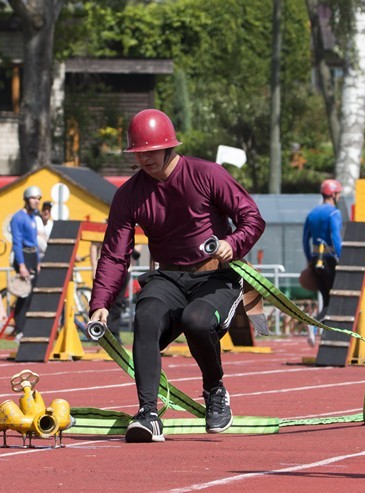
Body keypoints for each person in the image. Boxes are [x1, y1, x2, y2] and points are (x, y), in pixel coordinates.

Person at [89, 109, 265, 443]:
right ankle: (147, 413)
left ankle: (214, 389)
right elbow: (115, 253)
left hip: (216, 277)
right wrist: (100, 302)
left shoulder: (208, 174)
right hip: (168, 278)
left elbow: (252, 218)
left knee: (196, 320)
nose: (144, 158)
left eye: (151, 151)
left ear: (170, 147)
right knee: (146, 316)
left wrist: (232, 243)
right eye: (138, 152)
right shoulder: (128, 195)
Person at [302, 179, 343, 346]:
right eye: (338, 193)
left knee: (327, 299)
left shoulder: (312, 213)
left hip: (315, 261)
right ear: (333, 194)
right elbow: (335, 238)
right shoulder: (334, 213)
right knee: (334, 301)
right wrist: (341, 259)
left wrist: (309, 261)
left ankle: (324, 334)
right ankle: (314, 325)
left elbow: (305, 240)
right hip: (330, 261)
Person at [9, 186, 42, 339]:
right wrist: (21, 265)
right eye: (34, 198)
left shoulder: (33, 217)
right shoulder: (18, 218)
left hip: (32, 257)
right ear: (26, 199)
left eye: (38, 199)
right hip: (22, 255)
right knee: (24, 294)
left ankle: (27, 327)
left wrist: (37, 262)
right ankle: (19, 329)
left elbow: (35, 242)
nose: (36, 201)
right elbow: (17, 242)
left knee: (33, 294)